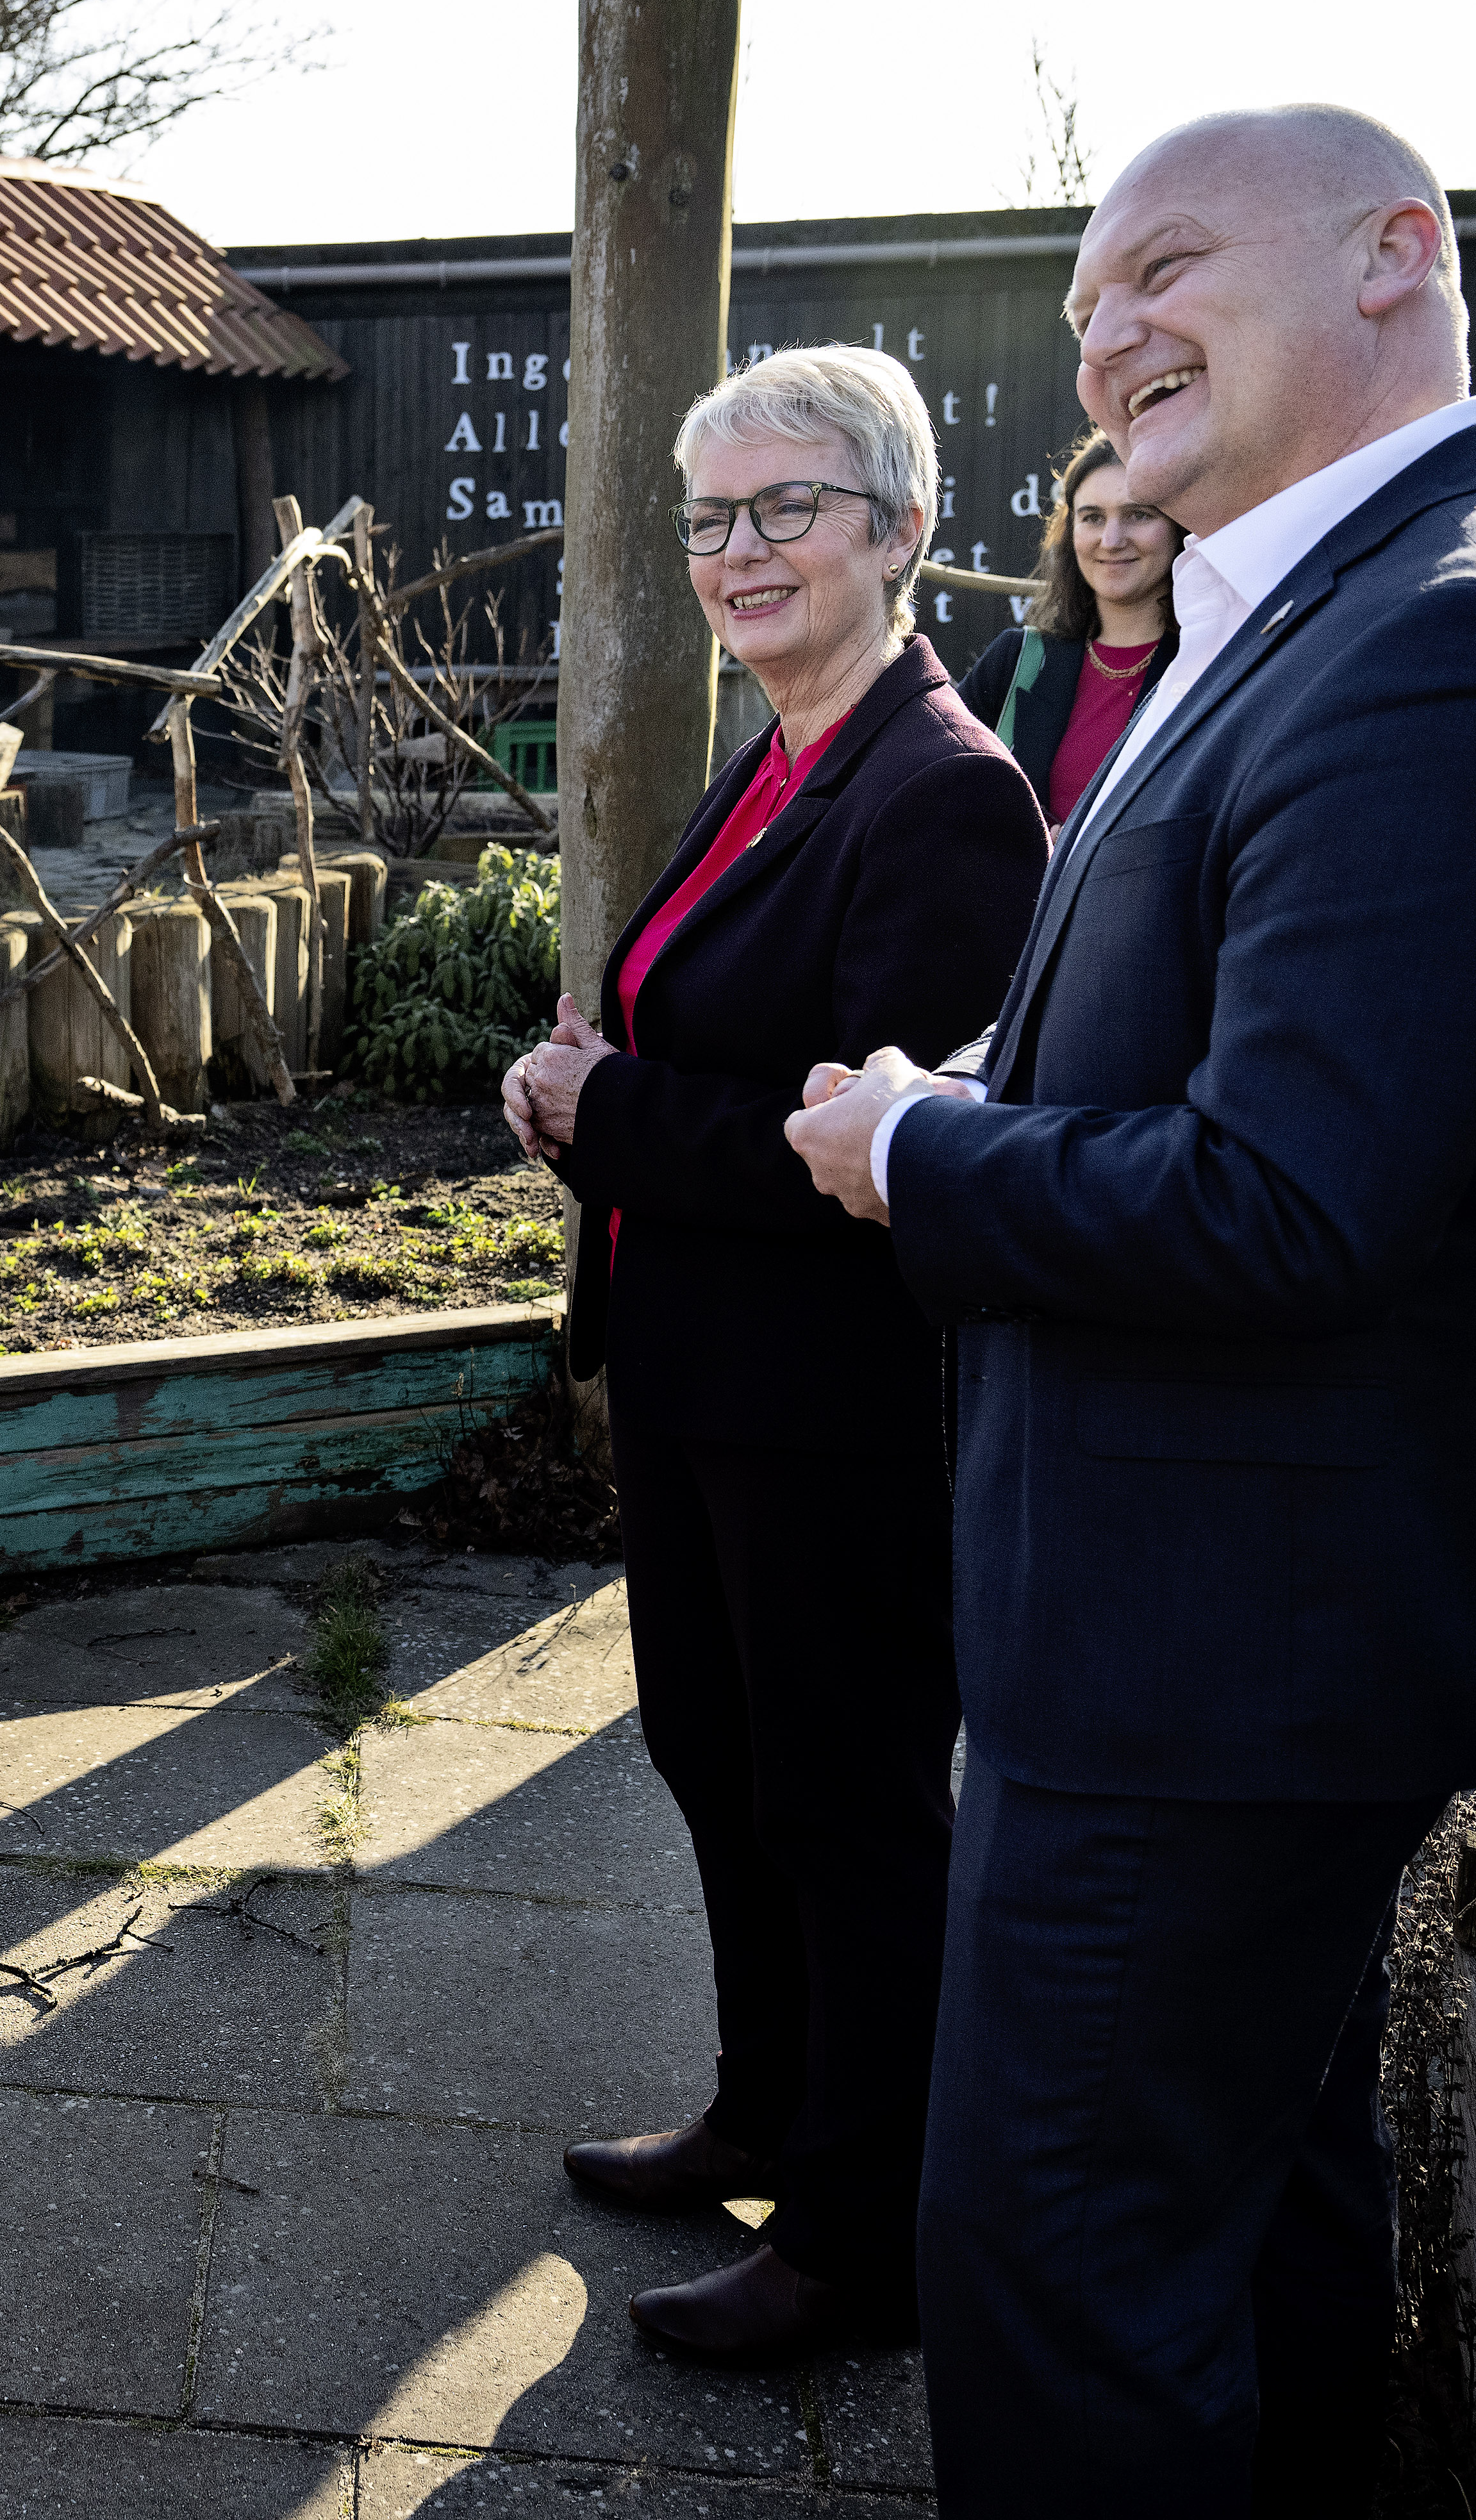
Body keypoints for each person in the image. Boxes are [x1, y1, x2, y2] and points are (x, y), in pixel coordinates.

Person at [784, 107, 1476, 2510]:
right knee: (1241, 2220)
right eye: (1082, 298)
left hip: (1218, 1654)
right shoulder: (1324, 592)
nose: (1101, 335)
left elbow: (1293, 1200)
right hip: (1219, 1627)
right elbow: (1222, 1024)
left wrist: (915, 1153)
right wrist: (988, 1069)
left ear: (1399, 255)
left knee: (1056, 2264)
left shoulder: (1458, 639)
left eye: (1162, 263)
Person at [501, 344, 1045, 2366]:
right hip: (698, 1371)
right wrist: (577, 1088)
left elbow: (877, 1159)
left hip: (829, 1408)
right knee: (713, 1757)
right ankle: (761, 2104)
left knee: (846, 1803)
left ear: (899, 530)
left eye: (784, 509)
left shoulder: (942, 795)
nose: (737, 551)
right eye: (709, 516)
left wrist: (606, 1112)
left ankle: (861, 2229)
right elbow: (708, 1053)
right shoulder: (782, 745)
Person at [953, 429, 1182, 825]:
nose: (1111, 540)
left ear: (1178, 524)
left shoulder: (1208, 664)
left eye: (1138, 514)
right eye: (1093, 518)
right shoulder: (1016, 661)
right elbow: (931, 788)